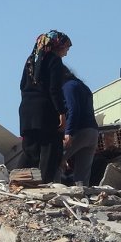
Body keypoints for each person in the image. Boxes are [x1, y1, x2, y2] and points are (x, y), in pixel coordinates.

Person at [18, 30, 71, 183]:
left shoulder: (30, 60)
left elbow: (22, 86)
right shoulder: (54, 61)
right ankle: (45, 184)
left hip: (26, 112)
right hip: (45, 112)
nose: (66, 53)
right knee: (51, 150)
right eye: (66, 48)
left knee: (30, 151)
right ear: (57, 46)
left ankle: (17, 181)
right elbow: (54, 90)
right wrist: (61, 112)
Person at [61, 67, 99, 186]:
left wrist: (69, 132)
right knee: (82, 175)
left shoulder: (68, 86)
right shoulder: (83, 87)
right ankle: (82, 198)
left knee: (54, 161)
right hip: (92, 132)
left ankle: (53, 193)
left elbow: (73, 110)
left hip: (79, 131)